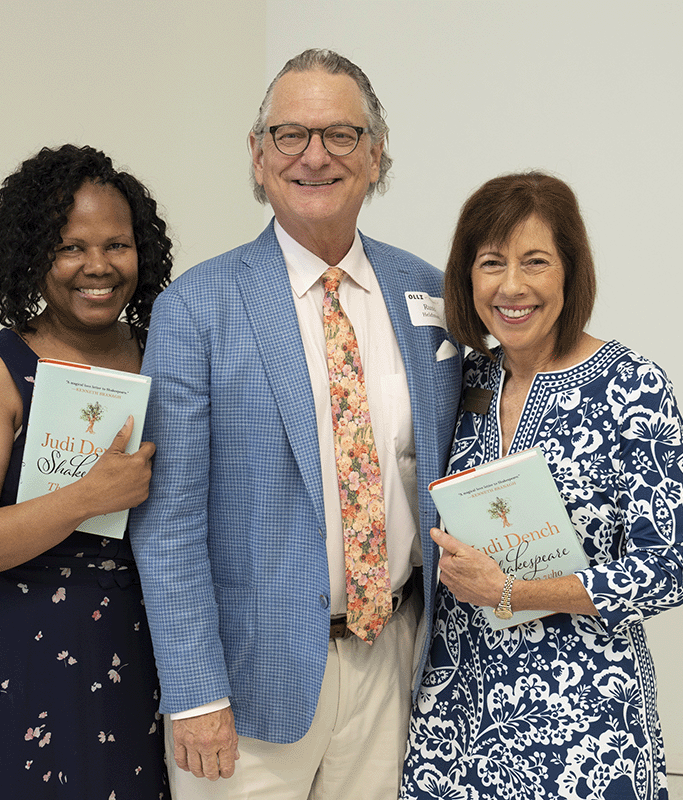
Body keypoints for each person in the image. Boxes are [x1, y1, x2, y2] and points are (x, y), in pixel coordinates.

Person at [129, 49, 463, 799]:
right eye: (289, 135)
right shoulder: (195, 308)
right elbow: (169, 519)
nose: (315, 155)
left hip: (394, 661)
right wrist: (194, 692)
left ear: (376, 155)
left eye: (341, 135)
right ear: (257, 157)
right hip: (246, 686)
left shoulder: (432, 295)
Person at [399, 171, 683, 800]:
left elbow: (667, 571)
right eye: (491, 263)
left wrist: (513, 590)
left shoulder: (632, 388)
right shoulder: (460, 380)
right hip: (454, 720)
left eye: (535, 262)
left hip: (583, 724)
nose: (512, 286)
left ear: (570, 273)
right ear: (466, 277)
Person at [0, 144, 173, 799]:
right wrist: (84, 497)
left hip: (147, 652)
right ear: (32, 255)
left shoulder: (165, 356)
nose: (97, 266)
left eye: (116, 244)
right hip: (23, 658)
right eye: (70, 247)